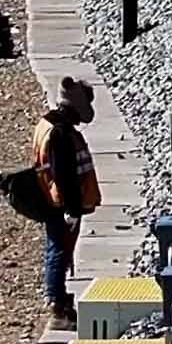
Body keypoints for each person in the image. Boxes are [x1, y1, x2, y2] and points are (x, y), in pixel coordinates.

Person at [30, 82, 99, 328]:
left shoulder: (48, 124)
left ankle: (58, 302)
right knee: (59, 251)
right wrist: (71, 210)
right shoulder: (61, 133)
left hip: (49, 198)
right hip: (60, 204)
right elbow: (64, 175)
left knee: (56, 249)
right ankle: (57, 309)